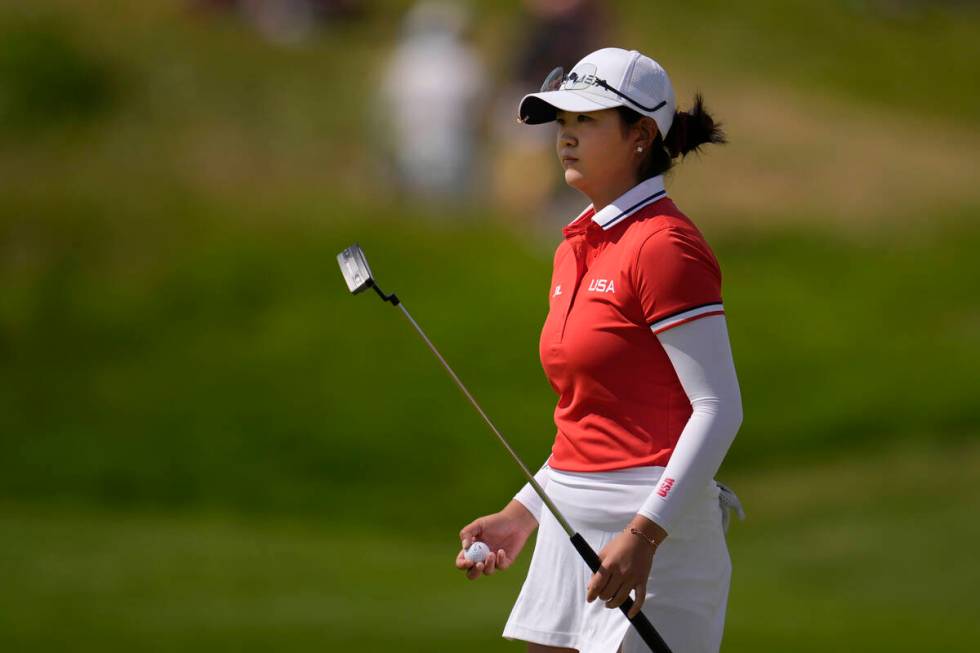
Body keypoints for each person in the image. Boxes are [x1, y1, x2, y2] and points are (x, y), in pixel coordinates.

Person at [454, 47, 745, 653]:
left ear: (641, 135)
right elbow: (587, 421)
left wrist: (645, 535)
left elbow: (718, 408)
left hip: (654, 535)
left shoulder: (665, 246)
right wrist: (522, 514)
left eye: (586, 120)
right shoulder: (574, 248)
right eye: (562, 122)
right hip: (572, 525)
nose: (565, 137)